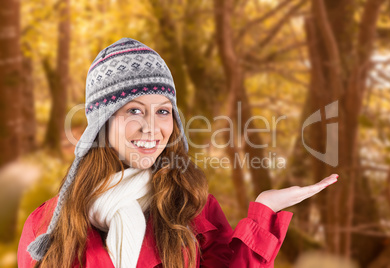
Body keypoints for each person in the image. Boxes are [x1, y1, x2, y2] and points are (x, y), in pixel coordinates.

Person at [17, 38, 338, 268]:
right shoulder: (48, 225)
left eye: (163, 112)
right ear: (102, 123)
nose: (153, 128)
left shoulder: (192, 205)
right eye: (134, 111)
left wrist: (265, 211)